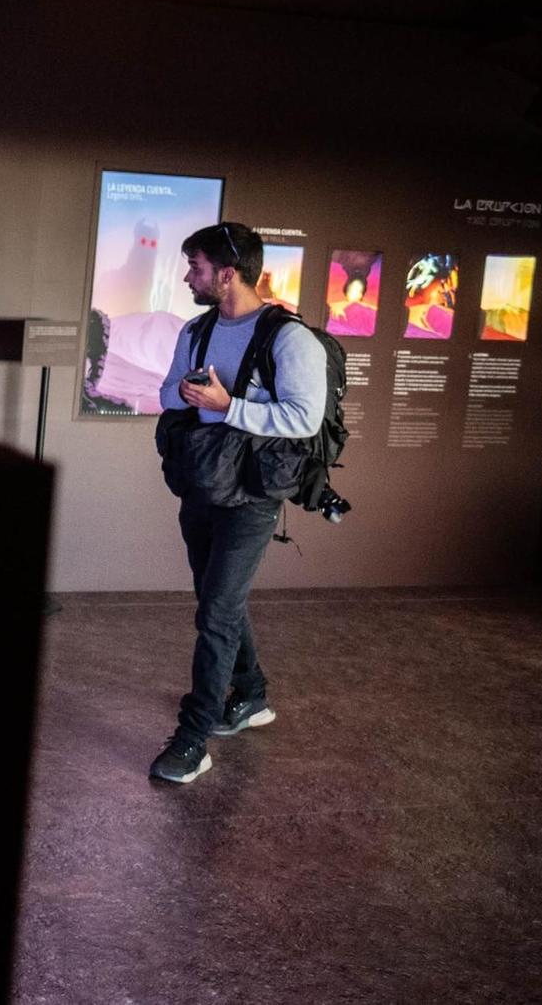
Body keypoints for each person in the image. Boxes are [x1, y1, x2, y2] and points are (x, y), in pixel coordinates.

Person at [148, 221, 327, 785]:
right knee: (216, 599)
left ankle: (194, 737)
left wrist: (229, 405)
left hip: (252, 493)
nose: (187, 276)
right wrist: (183, 392)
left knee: (217, 612)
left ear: (227, 275)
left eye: (195, 267)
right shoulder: (195, 331)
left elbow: (305, 418)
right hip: (201, 483)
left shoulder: (290, 338)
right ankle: (250, 694)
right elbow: (164, 391)